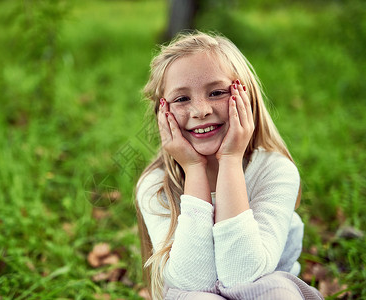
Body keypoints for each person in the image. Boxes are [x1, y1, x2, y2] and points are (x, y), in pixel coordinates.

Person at [135, 31, 323, 300]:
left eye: (217, 92)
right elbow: (193, 283)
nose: (201, 110)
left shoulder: (275, 171)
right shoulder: (155, 185)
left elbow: (243, 276)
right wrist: (194, 169)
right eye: (181, 99)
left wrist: (231, 160)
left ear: (246, 98)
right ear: (162, 113)